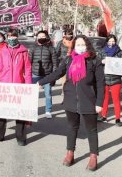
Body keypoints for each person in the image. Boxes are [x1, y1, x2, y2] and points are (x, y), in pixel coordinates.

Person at [38, 35, 104, 172]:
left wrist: (99, 103)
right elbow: (57, 73)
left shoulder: (94, 61)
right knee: (71, 127)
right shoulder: (69, 60)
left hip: (88, 101)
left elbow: (100, 83)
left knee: (91, 130)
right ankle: (70, 153)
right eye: (78, 44)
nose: (80, 47)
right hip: (70, 99)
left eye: (83, 44)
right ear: (74, 46)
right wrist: (41, 82)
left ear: (87, 45)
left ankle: (93, 156)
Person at [0, 29, 32, 146]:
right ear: (7, 37)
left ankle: (20, 137)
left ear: (17, 37)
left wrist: (29, 87)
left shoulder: (23, 52)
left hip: (18, 87)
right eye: (9, 36)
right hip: (4, 87)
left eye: (13, 36)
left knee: (19, 114)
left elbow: (28, 70)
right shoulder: (3, 51)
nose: (11, 38)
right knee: (2, 113)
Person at [97, 34, 122, 126]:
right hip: (104, 79)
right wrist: (101, 62)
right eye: (109, 41)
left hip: (116, 79)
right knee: (104, 99)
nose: (111, 43)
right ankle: (103, 116)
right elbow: (96, 63)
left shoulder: (120, 52)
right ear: (106, 42)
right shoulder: (102, 51)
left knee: (116, 99)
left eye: (113, 41)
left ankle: (118, 118)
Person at [29, 31, 57, 119]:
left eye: (43, 36)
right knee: (33, 95)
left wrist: (53, 76)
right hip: (35, 74)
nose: (41, 38)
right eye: (39, 36)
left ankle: (48, 111)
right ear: (36, 37)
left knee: (48, 94)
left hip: (47, 75)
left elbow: (55, 63)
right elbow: (29, 62)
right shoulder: (33, 48)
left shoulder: (51, 48)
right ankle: (32, 111)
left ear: (46, 37)